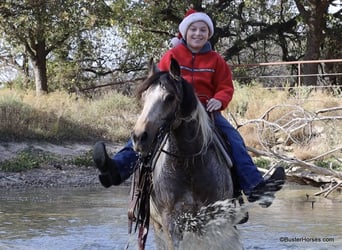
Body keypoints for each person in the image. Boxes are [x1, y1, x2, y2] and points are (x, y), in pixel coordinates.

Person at [93, 9, 285, 207]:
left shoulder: (216, 60)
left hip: (206, 112)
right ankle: (117, 169)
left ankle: (255, 188)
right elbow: (160, 84)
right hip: (173, 110)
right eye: (193, 29)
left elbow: (225, 86)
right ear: (185, 32)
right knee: (144, 134)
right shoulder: (171, 56)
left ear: (208, 34)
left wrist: (219, 99)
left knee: (234, 138)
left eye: (203, 30)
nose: (198, 34)